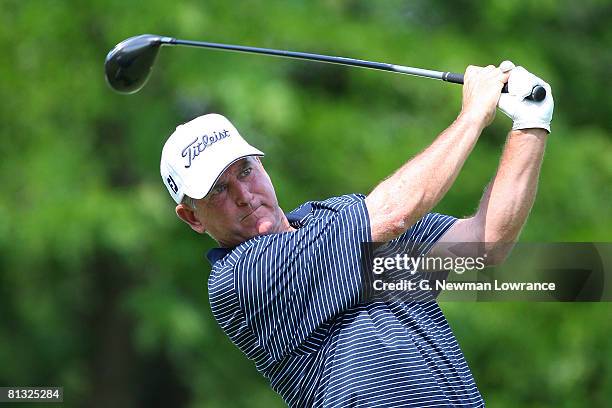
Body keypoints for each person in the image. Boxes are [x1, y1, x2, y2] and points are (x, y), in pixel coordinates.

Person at [159, 61, 553, 407]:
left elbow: (486, 243)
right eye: (218, 190)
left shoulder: (335, 214)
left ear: (263, 166)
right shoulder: (242, 278)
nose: (244, 195)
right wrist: (473, 115)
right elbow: (393, 213)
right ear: (192, 218)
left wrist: (531, 123)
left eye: (245, 170)